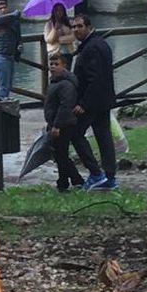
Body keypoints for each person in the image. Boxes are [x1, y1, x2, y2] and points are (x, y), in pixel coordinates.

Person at [71, 13, 118, 191]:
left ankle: (96, 173)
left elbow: (94, 78)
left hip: (92, 101)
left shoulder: (91, 48)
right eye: (74, 27)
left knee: (76, 133)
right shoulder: (99, 43)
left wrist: (83, 103)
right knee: (103, 135)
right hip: (103, 99)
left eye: (79, 26)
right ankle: (110, 177)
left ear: (89, 27)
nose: (76, 30)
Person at [43, 53, 84, 193]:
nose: (53, 67)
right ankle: (71, 180)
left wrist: (57, 126)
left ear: (64, 66)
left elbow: (65, 106)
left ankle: (66, 182)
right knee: (59, 154)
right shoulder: (54, 82)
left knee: (61, 154)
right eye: (51, 64)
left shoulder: (66, 84)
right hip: (55, 122)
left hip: (64, 124)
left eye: (56, 64)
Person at [0, 0, 22, 98]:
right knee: (4, 86)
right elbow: (11, 16)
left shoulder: (13, 21)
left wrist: (19, 47)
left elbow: (18, 36)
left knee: (8, 85)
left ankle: (4, 104)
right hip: (1, 56)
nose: (2, 10)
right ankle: (0, 105)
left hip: (10, 56)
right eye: (0, 9)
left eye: (4, 8)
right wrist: (17, 13)